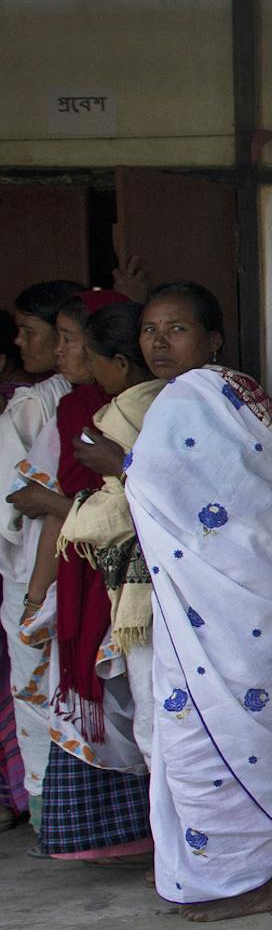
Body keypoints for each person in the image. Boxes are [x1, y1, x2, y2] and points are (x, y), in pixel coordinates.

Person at [127, 282, 272, 920]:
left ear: (213, 340)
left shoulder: (188, 399)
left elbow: (165, 490)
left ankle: (251, 883)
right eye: (150, 328)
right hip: (257, 594)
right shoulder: (240, 395)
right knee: (247, 737)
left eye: (176, 329)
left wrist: (114, 462)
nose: (158, 341)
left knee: (205, 740)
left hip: (226, 603)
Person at [14, 290, 149, 865]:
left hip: (128, 576)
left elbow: (110, 499)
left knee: (141, 700)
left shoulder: (126, 410)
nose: (70, 353)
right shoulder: (73, 409)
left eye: (75, 341)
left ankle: (160, 836)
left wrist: (54, 505)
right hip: (88, 568)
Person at [1, 280, 88, 828]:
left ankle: (45, 811)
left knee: (36, 682)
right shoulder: (74, 395)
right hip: (77, 558)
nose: (24, 343)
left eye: (32, 331)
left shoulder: (36, 402)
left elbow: (17, 499)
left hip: (37, 560)